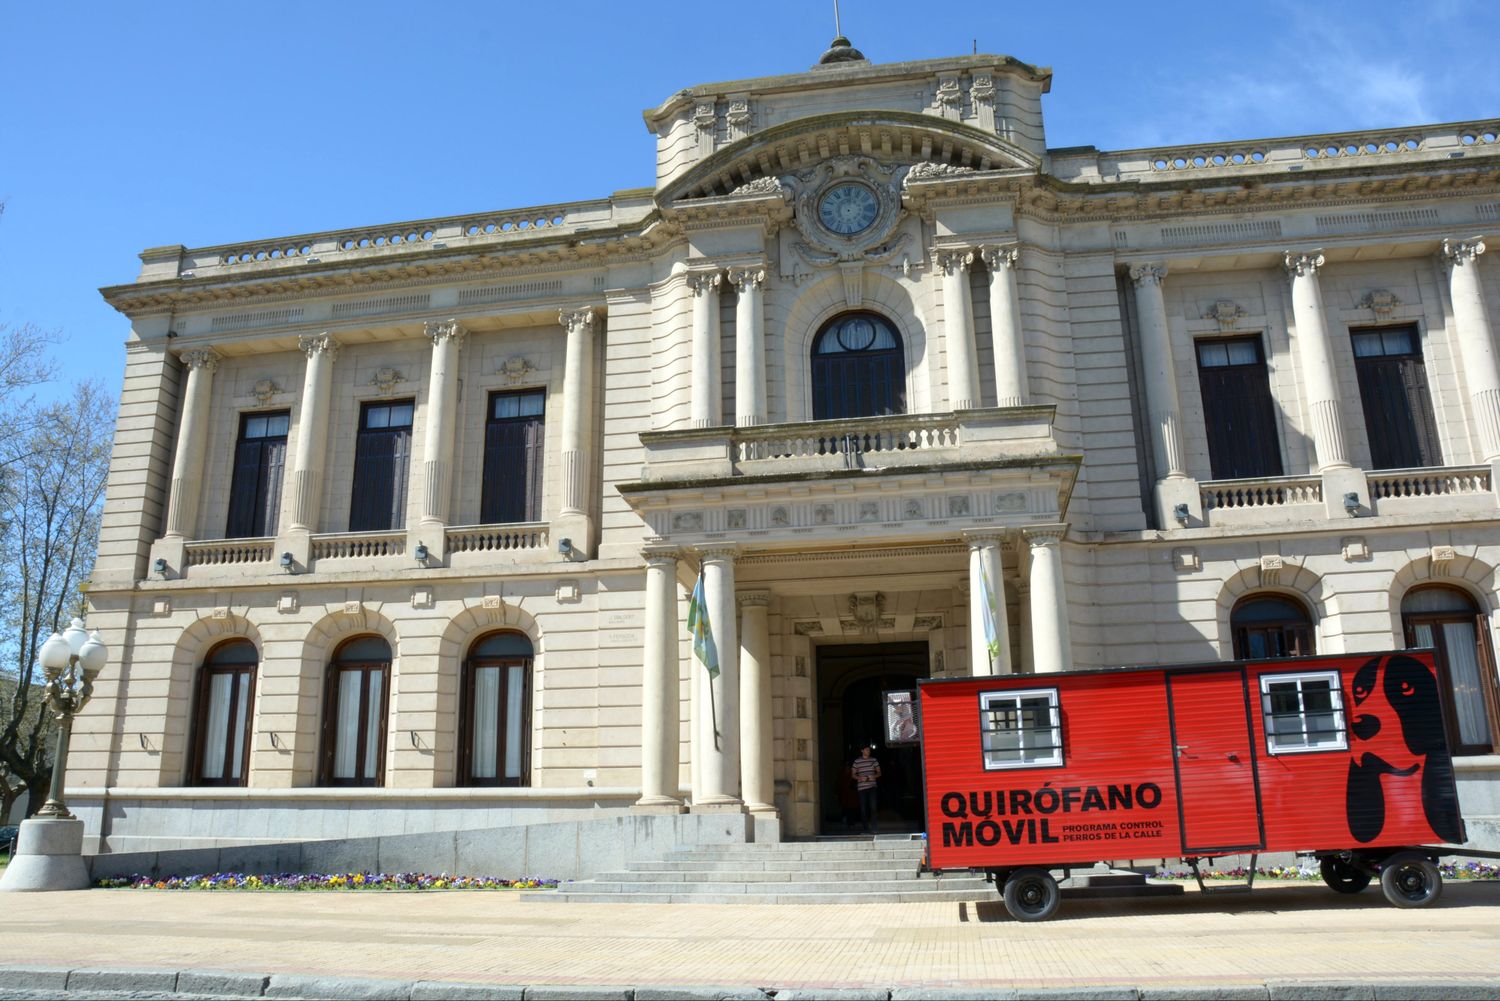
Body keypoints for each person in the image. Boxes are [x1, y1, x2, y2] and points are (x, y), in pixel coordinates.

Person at [851, 745, 882, 834]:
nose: (868, 751)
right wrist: (860, 778)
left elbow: (879, 772)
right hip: (862, 788)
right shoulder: (857, 761)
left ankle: (874, 828)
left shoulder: (874, 760)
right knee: (863, 809)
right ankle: (865, 829)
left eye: (869, 750)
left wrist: (874, 776)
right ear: (862, 751)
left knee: (873, 807)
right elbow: (852, 774)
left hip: (872, 787)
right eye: (867, 750)